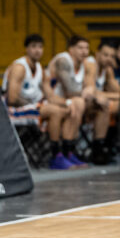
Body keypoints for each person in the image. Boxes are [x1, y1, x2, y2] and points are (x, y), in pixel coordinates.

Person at [2, 33, 78, 168]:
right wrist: (37, 105)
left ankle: (68, 152)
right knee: (55, 111)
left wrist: (67, 103)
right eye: (34, 47)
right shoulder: (19, 67)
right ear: (26, 49)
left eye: (40, 47)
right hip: (12, 110)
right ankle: (55, 156)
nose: (37, 50)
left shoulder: (40, 69)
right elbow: (12, 98)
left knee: (67, 109)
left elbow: (50, 96)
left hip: (31, 107)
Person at [42, 34, 90, 168]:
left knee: (79, 103)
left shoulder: (83, 64)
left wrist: (91, 93)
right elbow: (70, 90)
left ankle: (69, 151)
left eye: (86, 48)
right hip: (48, 99)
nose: (84, 51)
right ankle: (60, 154)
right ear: (71, 49)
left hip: (62, 101)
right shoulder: (63, 61)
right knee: (77, 102)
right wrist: (88, 93)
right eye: (80, 48)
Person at [83, 39, 120, 164]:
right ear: (97, 54)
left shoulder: (107, 69)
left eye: (112, 56)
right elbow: (90, 91)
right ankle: (101, 148)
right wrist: (110, 96)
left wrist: (115, 67)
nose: (108, 58)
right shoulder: (91, 64)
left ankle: (106, 145)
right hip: (81, 101)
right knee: (106, 105)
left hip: (96, 103)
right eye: (105, 55)